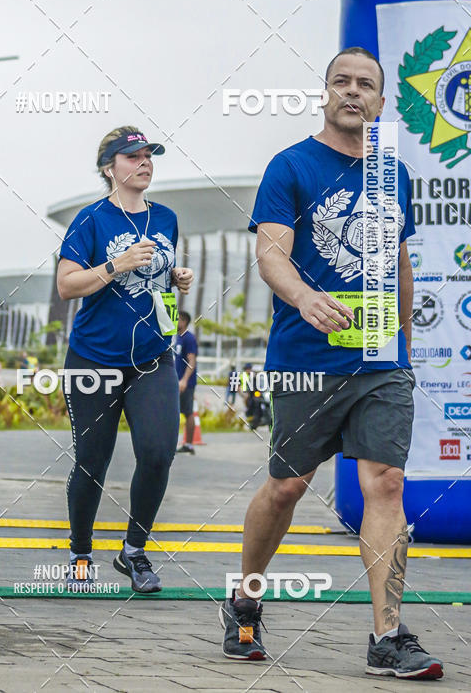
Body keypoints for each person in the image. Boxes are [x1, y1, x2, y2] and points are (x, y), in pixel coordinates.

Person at [219, 47, 444, 680]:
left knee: (386, 484)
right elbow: (271, 255)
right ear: (325, 93)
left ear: (379, 101)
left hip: (381, 361)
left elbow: (398, 258)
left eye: (365, 85)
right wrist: (304, 297)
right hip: (306, 358)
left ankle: (387, 635)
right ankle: (245, 598)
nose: (353, 92)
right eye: (341, 82)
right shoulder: (290, 166)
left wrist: (404, 338)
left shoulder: (392, 172)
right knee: (289, 486)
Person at [57, 126, 194, 593]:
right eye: (132, 156)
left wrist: (176, 276)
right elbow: (67, 285)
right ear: (108, 167)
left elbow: (157, 278)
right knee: (92, 462)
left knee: (158, 453)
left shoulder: (168, 217)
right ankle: (80, 552)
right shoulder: (91, 220)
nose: (145, 162)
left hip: (153, 357)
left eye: (149, 155)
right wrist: (118, 264)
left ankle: (134, 551)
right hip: (94, 358)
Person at [174, 311, 198, 454]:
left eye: (177, 319)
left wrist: (184, 380)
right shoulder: (178, 338)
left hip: (186, 383)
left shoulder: (189, 338)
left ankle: (189, 444)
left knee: (188, 412)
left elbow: (192, 361)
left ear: (183, 321)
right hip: (177, 382)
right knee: (176, 412)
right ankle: (178, 443)